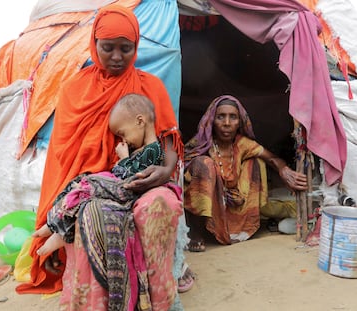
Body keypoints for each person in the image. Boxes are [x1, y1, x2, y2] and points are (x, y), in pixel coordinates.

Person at [17, 5, 185, 311]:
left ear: (137, 47)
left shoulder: (151, 87)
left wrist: (165, 171)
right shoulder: (75, 89)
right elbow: (64, 159)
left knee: (161, 204)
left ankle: (159, 300)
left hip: (144, 180)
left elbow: (168, 142)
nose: (117, 57)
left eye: (126, 48)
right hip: (93, 185)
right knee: (91, 214)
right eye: (108, 48)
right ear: (93, 44)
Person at [32, 93, 165, 256]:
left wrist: (124, 159)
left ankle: (58, 229)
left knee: (89, 185)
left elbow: (135, 176)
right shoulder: (142, 149)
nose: (123, 140)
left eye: (123, 134)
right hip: (120, 188)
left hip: (128, 193)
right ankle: (55, 223)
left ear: (140, 121)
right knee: (81, 180)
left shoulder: (153, 149)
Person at [183, 95, 308, 251]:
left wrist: (284, 170)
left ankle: (241, 225)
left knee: (255, 161)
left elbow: (271, 158)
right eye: (220, 117)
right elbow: (182, 172)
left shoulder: (242, 144)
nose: (227, 123)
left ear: (240, 122)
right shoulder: (201, 144)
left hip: (233, 200)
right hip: (208, 204)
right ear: (211, 121)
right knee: (203, 164)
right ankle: (195, 231)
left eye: (233, 117)